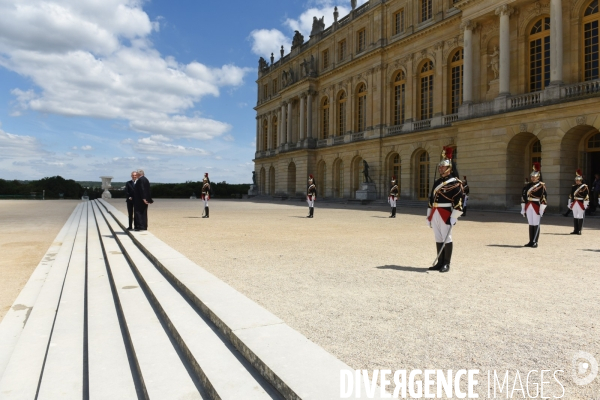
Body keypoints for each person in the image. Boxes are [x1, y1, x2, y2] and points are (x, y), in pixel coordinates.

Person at [426, 147, 464, 273]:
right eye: (440, 167)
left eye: (443, 167)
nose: (440, 168)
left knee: (447, 238)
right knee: (438, 237)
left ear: (449, 169)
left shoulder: (455, 183)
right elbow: (431, 199)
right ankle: (440, 262)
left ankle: (446, 263)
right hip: (436, 212)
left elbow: (459, 201)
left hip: (446, 212)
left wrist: (454, 216)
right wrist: (429, 215)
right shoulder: (437, 182)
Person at [521, 163, 547, 248]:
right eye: (532, 176)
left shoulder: (541, 186)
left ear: (538, 177)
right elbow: (524, 196)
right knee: (531, 223)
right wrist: (523, 208)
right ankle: (530, 241)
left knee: (536, 224)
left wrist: (542, 208)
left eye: (534, 177)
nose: (532, 178)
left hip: (536, 205)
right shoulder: (528, 185)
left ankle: (535, 241)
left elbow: (544, 197)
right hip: (529, 205)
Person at [568, 169, 589, 235]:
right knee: (575, 216)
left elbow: (586, 195)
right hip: (575, 202)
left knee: (580, 216)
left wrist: (585, 204)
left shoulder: (584, 187)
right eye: (576, 180)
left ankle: (579, 230)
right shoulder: (573, 187)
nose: (577, 181)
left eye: (578, 180)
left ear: (581, 180)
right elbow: (571, 195)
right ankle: (575, 230)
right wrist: (569, 202)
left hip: (581, 202)